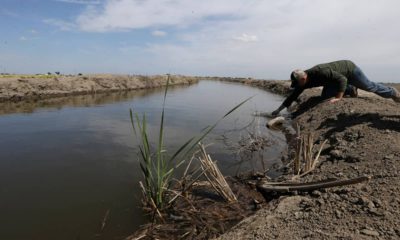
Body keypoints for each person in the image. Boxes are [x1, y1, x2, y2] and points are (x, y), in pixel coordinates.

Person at [272, 60, 400, 116]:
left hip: (349, 70)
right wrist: (278, 110)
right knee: (325, 97)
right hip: (334, 79)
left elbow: (342, 79)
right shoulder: (303, 82)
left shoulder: (320, 71)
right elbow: (293, 95)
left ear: (303, 79)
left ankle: (392, 92)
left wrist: (339, 97)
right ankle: (350, 89)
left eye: (297, 83)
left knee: (369, 86)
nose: (297, 86)